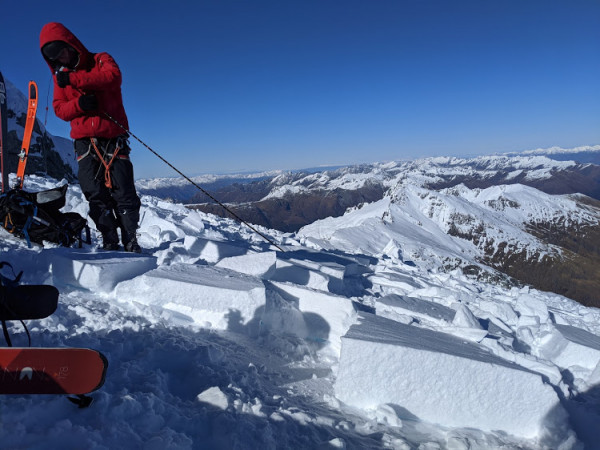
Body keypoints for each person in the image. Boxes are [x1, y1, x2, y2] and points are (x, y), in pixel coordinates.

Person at [39, 22, 141, 252]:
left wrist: (76, 81)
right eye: (53, 56)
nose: (61, 59)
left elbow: (113, 77)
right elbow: (60, 109)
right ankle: (109, 240)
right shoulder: (59, 78)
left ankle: (130, 239)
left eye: (61, 51)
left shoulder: (100, 59)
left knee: (124, 192)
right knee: (95, 194)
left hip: (113, 137)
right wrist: (79, 105)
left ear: (70, 44)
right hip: (85, 142)